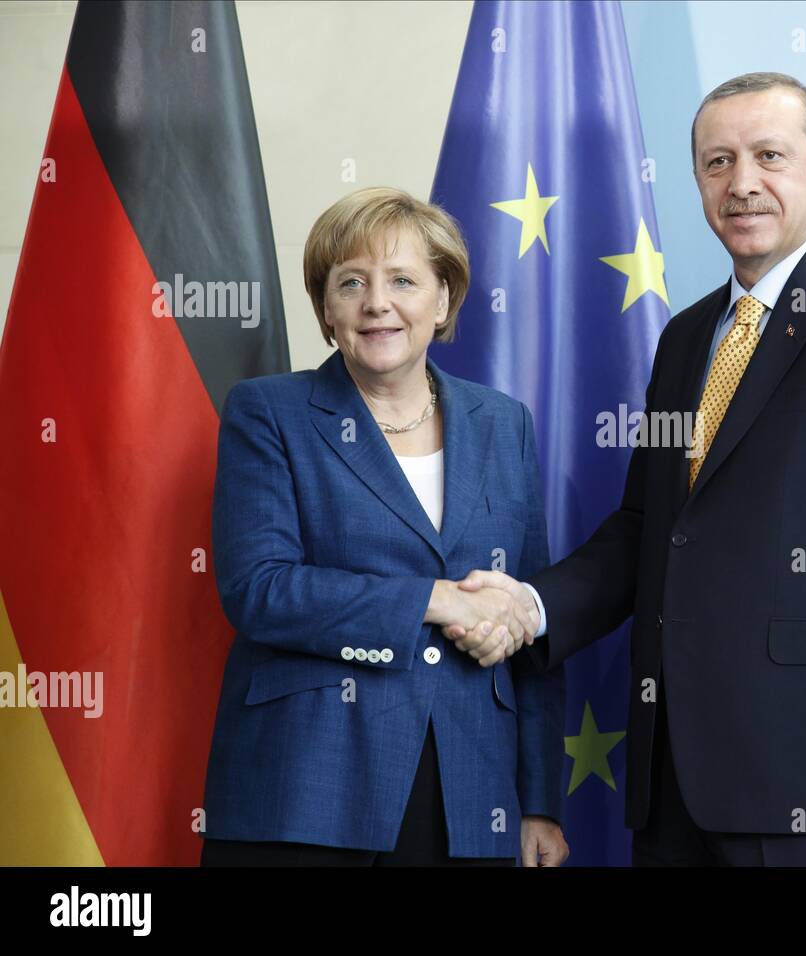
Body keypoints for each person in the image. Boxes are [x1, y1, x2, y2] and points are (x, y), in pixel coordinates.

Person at [451, 73, 806, 867]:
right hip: (671, 784)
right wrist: (530, 604)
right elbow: (645, 533)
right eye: (718, 162)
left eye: (770, 156)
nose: (743, 183)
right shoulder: (688, 336)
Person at [200, 186, 567, 866]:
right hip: (308, 789)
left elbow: (527, 617)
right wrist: (436, 598)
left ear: (444, 300)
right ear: (325, 309)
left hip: (471, 791)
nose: (378, 303)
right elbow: (260, 589)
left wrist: (538, 799)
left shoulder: (504, 424)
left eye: (403, 280)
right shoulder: (269, 413)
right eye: (351, 283)